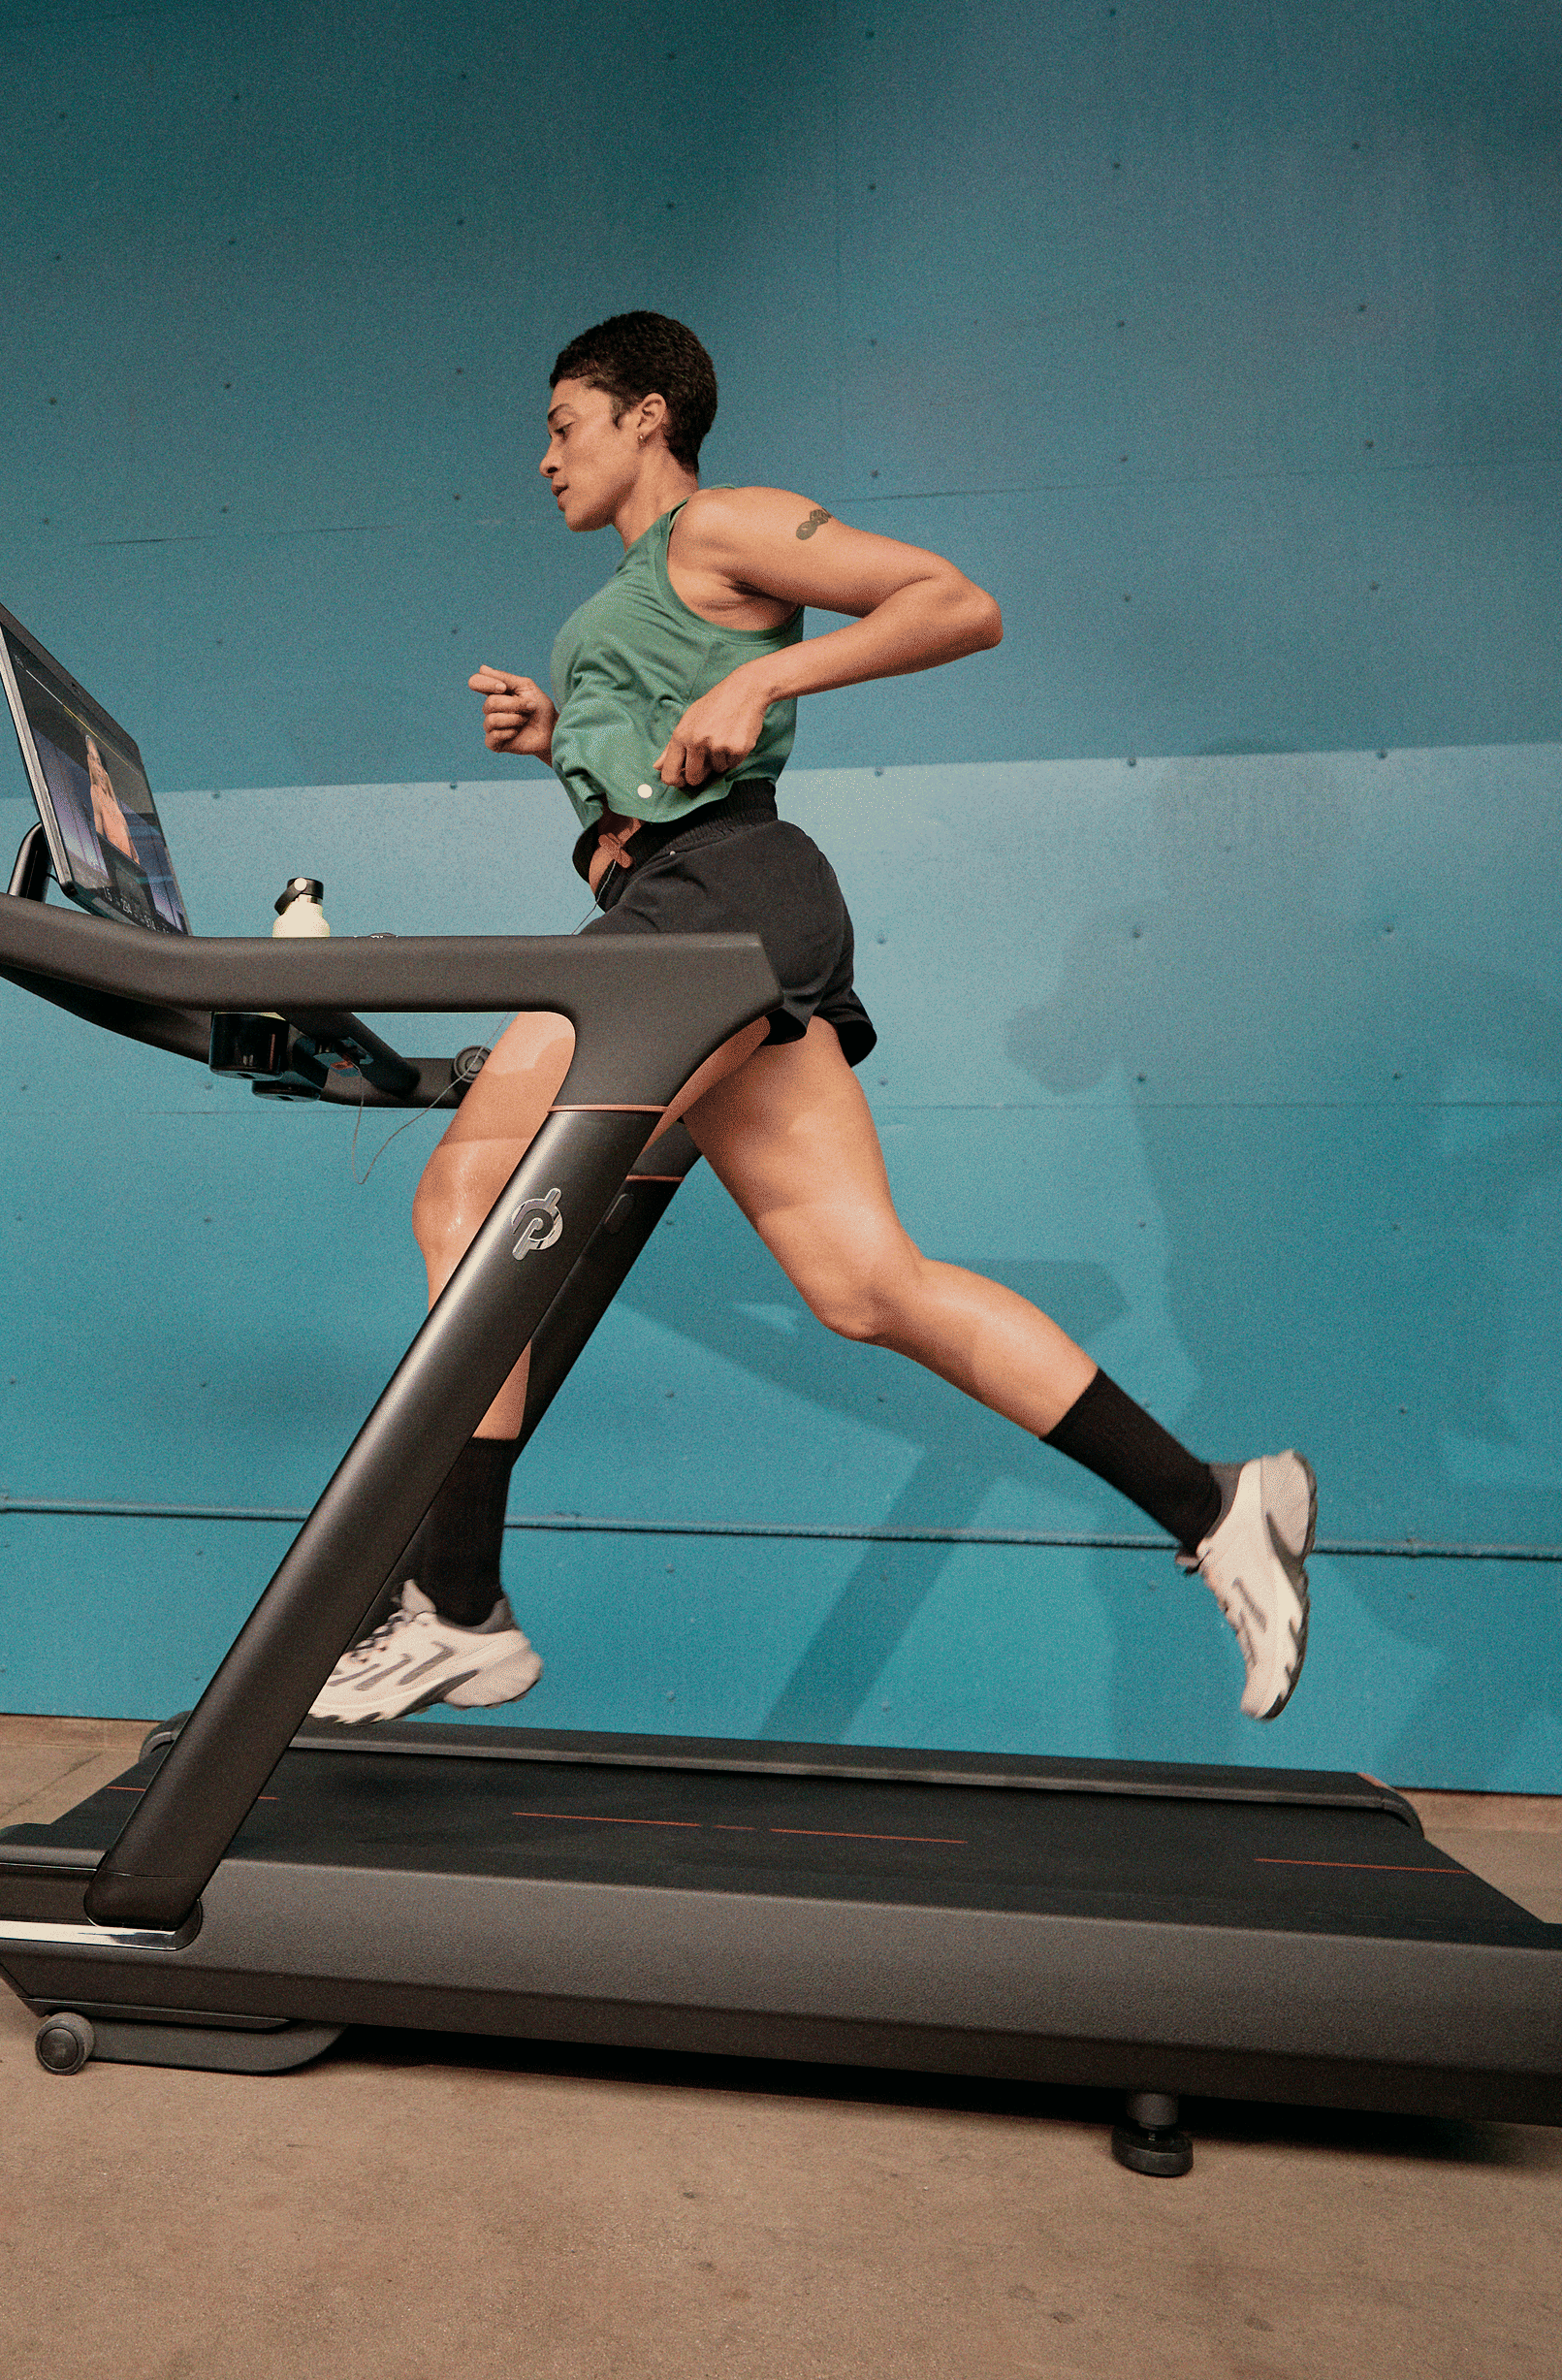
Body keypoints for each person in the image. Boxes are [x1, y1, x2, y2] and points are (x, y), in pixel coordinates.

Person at [313, 311, 1316, 1727]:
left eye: (562, 423)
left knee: (469, 1192)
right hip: (705, 905)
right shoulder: (635, 594)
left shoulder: (721, 524)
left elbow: (954, 601)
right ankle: (1215, 1502)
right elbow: (668, 758)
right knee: (864, 1286)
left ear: (647, 415)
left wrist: (770, 671)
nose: (543, 458)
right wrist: (564, 736)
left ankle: (458, 1607)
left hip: (711, 905)